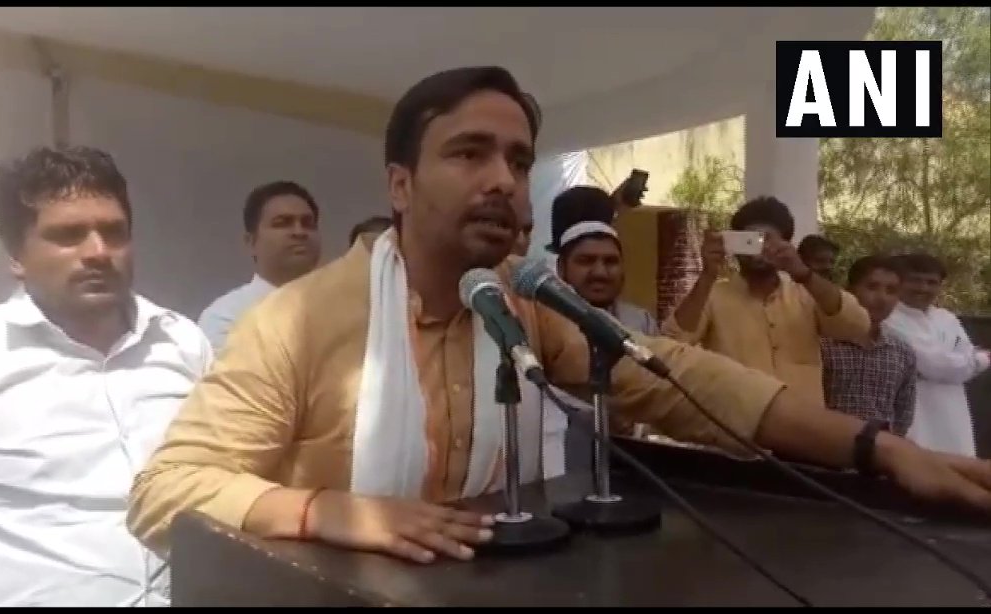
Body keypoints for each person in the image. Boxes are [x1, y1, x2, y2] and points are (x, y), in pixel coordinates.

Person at [128, 66, 990, 568]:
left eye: (518, 159)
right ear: (399, 184)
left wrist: (877, 449)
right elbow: (165, 493)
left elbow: (677, 379)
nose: (503, 179)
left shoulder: (516, 297)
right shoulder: (297, 322)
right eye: (469, 153)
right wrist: (324, 511)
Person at [0, 146, 212, 607]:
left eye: (114, 232)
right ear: (16, 256)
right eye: (68, 235)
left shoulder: (183, 344)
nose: (98, 252)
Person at [662, 197, 871, 408]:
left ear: (787, 245)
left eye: (767, 240)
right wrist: (707, 275)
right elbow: (672, 343)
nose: (759, 250)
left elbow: (858, 326)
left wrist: (804, 273)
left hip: (802, 423)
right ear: (735, 244)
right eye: (750, 241)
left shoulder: (806, 294)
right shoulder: (713, 295)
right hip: (736, 421)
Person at [884, 253, 990, 457]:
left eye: (931, 282)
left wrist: (966, 363)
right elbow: (934, 364)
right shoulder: (889, 318)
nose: (923, 288)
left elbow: (959, 362)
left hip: (955, 417)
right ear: (899, 281)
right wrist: (982, 359)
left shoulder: (946, 318)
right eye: (915, 280)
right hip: (915, 418)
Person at [197, 181, 321, 350]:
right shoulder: (226, 317)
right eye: (282, 223)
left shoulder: (343, 307)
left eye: (308, 223)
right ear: (251, 242)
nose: (299, 232)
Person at [821, 255, 916, 435]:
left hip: (879, 447)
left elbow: (903, 416)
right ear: (849, 290)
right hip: (824, 443)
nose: (882, 298)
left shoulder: (902, 351)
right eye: (872, 287)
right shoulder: (824, 343)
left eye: (891, 291)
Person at [549, 186, 658, 335]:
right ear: (561, 267)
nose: (600, 272)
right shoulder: (540, 324)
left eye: (610, 261)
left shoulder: (641, 323)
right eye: (586, 261)